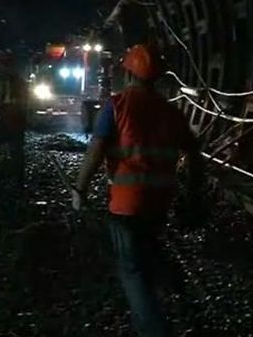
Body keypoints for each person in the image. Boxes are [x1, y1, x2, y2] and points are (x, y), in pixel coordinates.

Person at [72, 44, 204, 337]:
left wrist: (79, 188)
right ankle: (149, 317)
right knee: (145, 259)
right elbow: (195, 153)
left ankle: (154, 330)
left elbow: (96, 150)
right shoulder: (172, 112)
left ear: (128, 72)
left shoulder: (116, 105)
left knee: (132, 272)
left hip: (126, 204)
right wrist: (195, 192)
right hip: (159, 204)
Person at [0, 52, 27, 178]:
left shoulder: (1, 76)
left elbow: (0, 97)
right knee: (17, 146)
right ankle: (18, 174)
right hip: (18, 113)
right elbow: (26, 97)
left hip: (6, 112)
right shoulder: (19, 78)